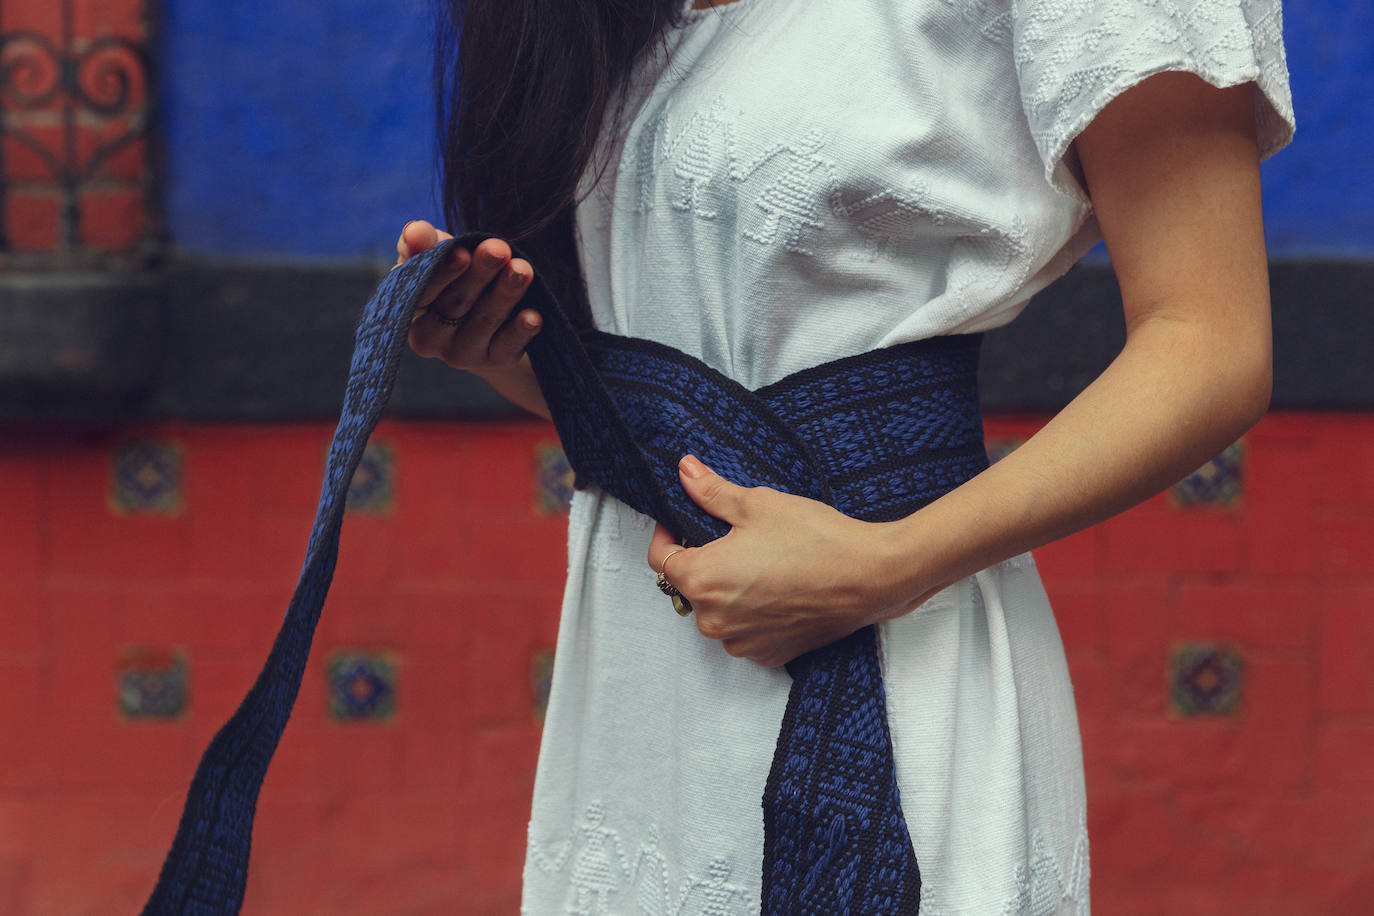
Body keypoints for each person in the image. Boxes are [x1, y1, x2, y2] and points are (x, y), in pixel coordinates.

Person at [399, 0, 1295, 911]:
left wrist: (887, 565)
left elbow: (1211, 341)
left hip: (900, 649)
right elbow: (679, 376)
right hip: (642, 700)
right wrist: (508, 353)